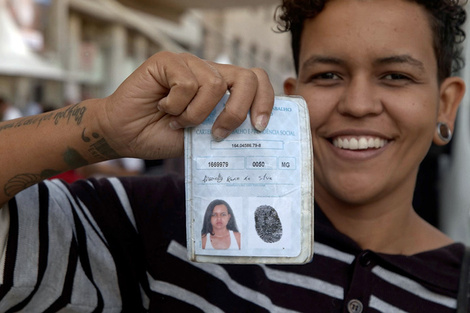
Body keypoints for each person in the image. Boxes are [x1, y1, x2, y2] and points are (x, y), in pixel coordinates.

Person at [0, 0, 467, 312]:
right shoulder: (164, 221)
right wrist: (99, 126)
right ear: (291, 99)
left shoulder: (458, 287)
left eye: (396, 77)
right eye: (328, 75)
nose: (359, 104)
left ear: (445, 104)